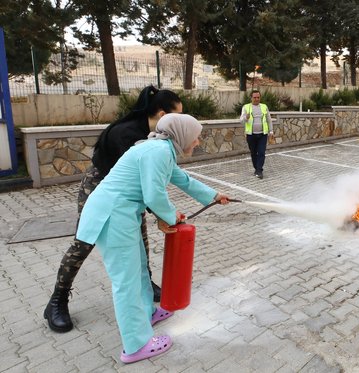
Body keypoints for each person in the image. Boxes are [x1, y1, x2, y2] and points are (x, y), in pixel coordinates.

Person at [76, 113, 230, 363]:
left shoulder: (162, 150)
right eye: (196, 136)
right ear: (183, 135)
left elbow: (183, 180)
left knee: (138, 272)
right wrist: (169, 216)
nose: (198, 141)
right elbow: (154, 194)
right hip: (112, 217)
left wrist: (213, 196)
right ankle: (135, 345)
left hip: (121, 216)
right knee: (126, 281)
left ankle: (147, 312)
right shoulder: (158, 151)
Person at [44, 86, 182, 333]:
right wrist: (162, 214)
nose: (181, 121)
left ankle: (144, 287)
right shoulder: (127, 133)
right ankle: (58, 300)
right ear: (163, 114)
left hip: (129, 198)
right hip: (100, 191)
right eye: (178, 115)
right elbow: (142, 180)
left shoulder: (153, 135)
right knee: (83, 243)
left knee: (140, 242)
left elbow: (154, 179)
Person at [240, 89, 274, 179]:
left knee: (262, 152)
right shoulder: (246, 107)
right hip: (251, 135)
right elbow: (241, 121)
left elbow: (269, 119)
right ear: (251, 98)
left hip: (263, 134)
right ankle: (256, 169)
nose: (256, 99)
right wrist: (246, 118)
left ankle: (259, 170)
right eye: (254, 97)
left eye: (258, 97)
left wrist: (271, 131)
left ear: (260, 97)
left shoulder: (264, 107)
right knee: (253, 153)